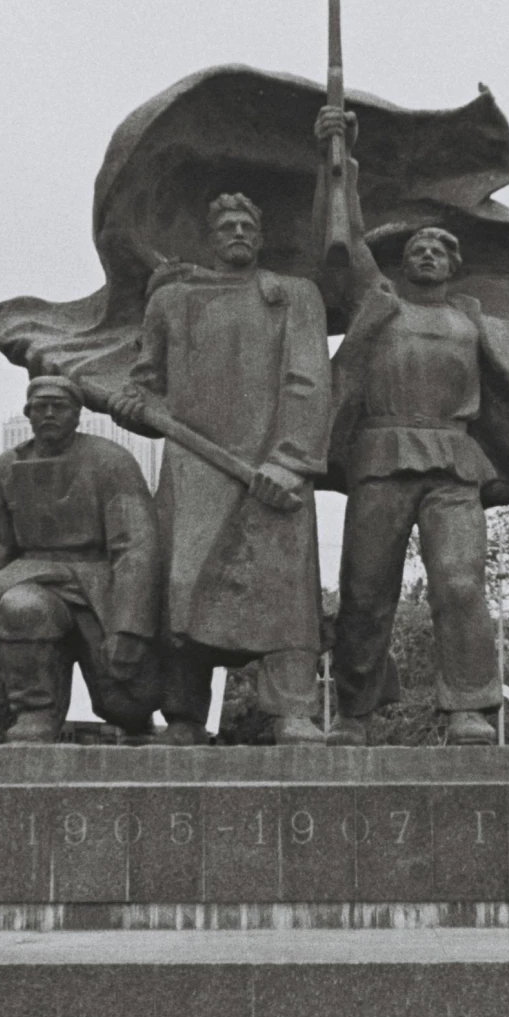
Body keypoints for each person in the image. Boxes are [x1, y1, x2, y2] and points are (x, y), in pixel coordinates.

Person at [316, 109, 509, 746]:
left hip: (453, 463)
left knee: (462, 583)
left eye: (440, 250)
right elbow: (347, 237)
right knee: (366, 593)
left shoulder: (479, 327)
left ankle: (469, 707)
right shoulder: (376, 304)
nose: (427, 254)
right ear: (403, 263)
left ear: (454, 267)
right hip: (382, 457)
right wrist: (340, 159)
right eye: (417, 248)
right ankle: (357, 713)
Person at [108, 193, 332, 745]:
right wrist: (133, 405)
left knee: (282, 593)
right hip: (193, 472)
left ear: (260, 237)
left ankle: (293, 711)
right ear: (211, 239)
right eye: (226, 225)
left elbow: (310, 381)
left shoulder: (294, 296)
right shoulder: (174, 301)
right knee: (184, 589)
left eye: (246, 224)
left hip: (273, 471)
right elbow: (146, 381)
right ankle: (183, 714)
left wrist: (291, 461)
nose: (237, 231)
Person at [0, 377, 161, 744]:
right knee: (21, 607)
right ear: (27, 413)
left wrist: (130, 625)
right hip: (31, 576)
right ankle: (35, 712)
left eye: (58, 406)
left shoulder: (110, 461)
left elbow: (136, 546)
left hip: (100, 584)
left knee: (125, 702)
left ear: (77, 415)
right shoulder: (6, 467)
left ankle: (135, 717)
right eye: (39, 406)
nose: (48, 413)